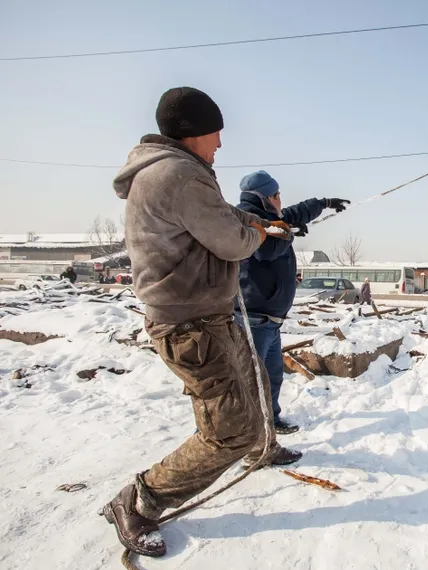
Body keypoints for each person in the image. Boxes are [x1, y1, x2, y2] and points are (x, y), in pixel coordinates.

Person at [101, 87, 302, 559]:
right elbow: (233, 240)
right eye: (216, 134)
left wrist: (256, 224)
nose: (219, 145)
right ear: (194, 133)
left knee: (252, 391)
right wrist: (257, 230)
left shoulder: (178, 172)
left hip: (208, 316)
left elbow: (224, 217)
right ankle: (138, 500)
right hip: (190, 325)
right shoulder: (180, 175)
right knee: (229, 429)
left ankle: (260, 447)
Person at [235, 170, 348, 435]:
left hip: (271, 322)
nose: (280, 201)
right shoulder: (248, 222)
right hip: (253, 319)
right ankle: (246, 433)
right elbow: (268, 250)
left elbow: (295, 213)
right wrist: (290, 232)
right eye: (277, 196)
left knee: (273, 377)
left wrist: (324, 203)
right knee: (252, 381)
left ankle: (270, 420)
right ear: (265, 198)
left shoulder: (273, 218)